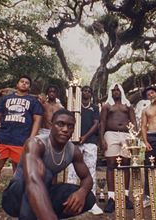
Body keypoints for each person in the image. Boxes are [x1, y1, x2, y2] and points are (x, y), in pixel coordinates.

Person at [1, 109, 96, 219]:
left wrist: (82, 193)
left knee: (89, 198)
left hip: (43, 191)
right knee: (45, 173)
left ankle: (42, 214)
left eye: (70, 126)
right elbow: (33, 180)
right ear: (51, 125)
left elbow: (87, 178)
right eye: (60, 124)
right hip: (15, 197)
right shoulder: (36, 143)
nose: (65, 129)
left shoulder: (73, 151)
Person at [0, 75, 43, 181]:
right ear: (17, 84)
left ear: (29, 87)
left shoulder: (33, 101)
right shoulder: (5, 98)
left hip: (21, 140)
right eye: (21, 81)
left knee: (19, 173)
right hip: (2, 139)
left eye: (27, 83)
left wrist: (31, 139)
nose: (24, 83)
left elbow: (37, 120)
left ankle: (15, 196)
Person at [66, 86, 103, 215]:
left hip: (90, 142)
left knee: (90, 171)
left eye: (88, 91)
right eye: (84, 91)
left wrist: (85, 137)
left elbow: (96, 124)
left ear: (91, 94)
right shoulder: (74, 106)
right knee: (72, 171)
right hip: (74, 142)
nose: (86, 92)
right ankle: (70, 201)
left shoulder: (94, 108)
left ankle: (91, 203)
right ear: (81, 93)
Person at [100, 83, 136, 213]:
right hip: (111, 134)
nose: (115, 92)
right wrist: (102, 139)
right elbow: (102, 122)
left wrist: (135, 138)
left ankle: (125, 197)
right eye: (113, 90)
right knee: (111, 164)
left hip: (127, 135)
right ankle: (111, 197)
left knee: (126, 164)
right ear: (110, 92)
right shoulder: (107, 105)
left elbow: (133, 122)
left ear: (121, 91)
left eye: (117, 90)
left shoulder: (128, 105)